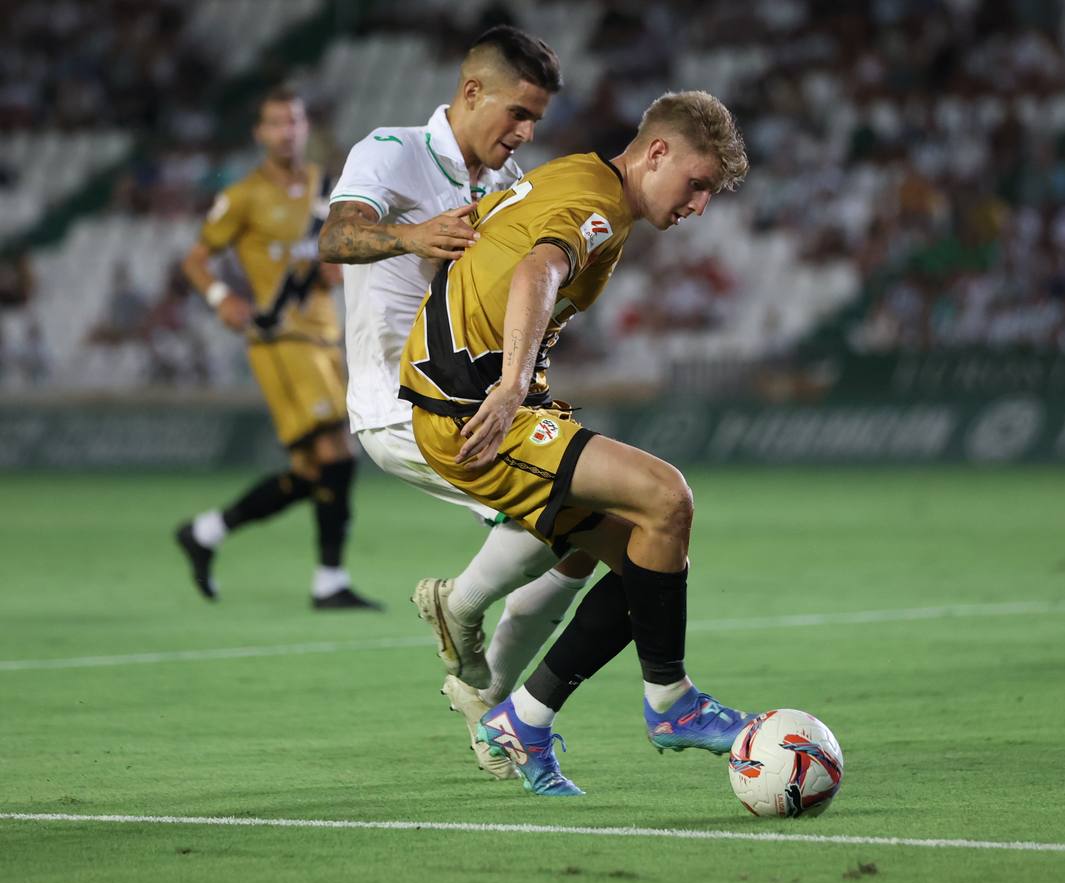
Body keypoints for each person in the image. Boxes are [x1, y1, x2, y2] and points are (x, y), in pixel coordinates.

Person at [400, 90, 753, 796]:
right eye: (697, 184)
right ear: (657, 153)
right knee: (667, 496)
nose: (698, 206)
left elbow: (492, 256)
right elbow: (538, 270)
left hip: (465, 396)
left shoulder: (575, 177)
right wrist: (508, 386)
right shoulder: (598, 202)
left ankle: (523, 720)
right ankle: (672, 703)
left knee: (645, 559)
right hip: (470, 409)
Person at [318, 26, 595, 778]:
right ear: (471, 93)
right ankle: (465, 624)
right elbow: (335, 235)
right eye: (516, 112)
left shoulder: (513, 184)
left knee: (583, 537)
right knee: (581, 502)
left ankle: (490, 699)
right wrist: (410, 236)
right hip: (398, 402)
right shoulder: (392, 149)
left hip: (472, 401)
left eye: (535, 118)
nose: (526, 131)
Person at [174, 87, 379, 610]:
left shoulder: (325, 189)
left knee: (315, 472)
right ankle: (329, 581)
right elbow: (196, 260)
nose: (286, 132)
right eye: (276, 123)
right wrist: (222, 297)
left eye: (294, 121)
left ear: (304, 127)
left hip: (325, 334)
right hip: (280, 339)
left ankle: (207, 531)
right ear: (259, 134)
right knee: (337, 452)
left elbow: (332, 263)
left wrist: (337, 269)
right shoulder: (242, 196)